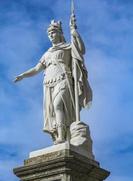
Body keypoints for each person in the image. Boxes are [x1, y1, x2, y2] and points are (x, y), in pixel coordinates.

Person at [14, 16, 92, 144]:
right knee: (53, 112)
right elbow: (36, 69)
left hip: (64, 79)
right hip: (48, 82)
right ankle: (60, 136)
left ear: (60, 33)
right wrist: (23, 75)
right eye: (49, 33)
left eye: (53, 32)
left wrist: (74, 32)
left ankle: (62, 136)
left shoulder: (67, 47)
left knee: (58, 105)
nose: (51, 35)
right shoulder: (47, 53)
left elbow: (81, 50)